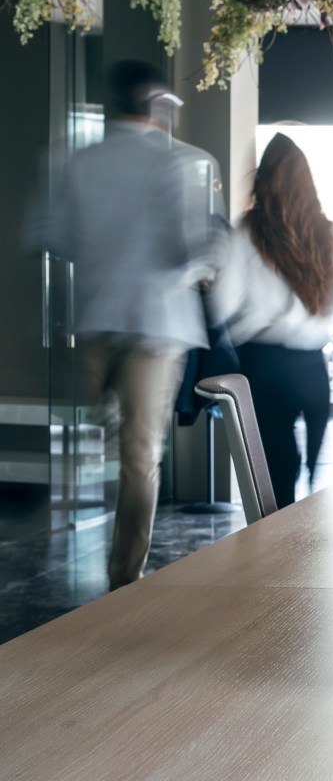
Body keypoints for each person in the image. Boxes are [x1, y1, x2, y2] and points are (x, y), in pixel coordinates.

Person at [38, 60, 225, 589]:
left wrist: (106, 250)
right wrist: (200, 268)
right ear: (158, 105)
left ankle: (95, 549)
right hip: (155, 325)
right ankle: (124, 578)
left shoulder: (72, 161)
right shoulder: (184, 163)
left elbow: (51, 236)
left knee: (102, 438)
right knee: (140, 457)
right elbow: (198, 248)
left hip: (94, 319)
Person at [210, 134, 333, 506]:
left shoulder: (247, 231)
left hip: (261, 364)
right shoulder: (327, 233)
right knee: (314, 469)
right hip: (311, 364)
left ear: (263, 180)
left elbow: (220, 305)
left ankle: (279, 549)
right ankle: (306, 544)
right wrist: (310, 321)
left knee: (276, 468)